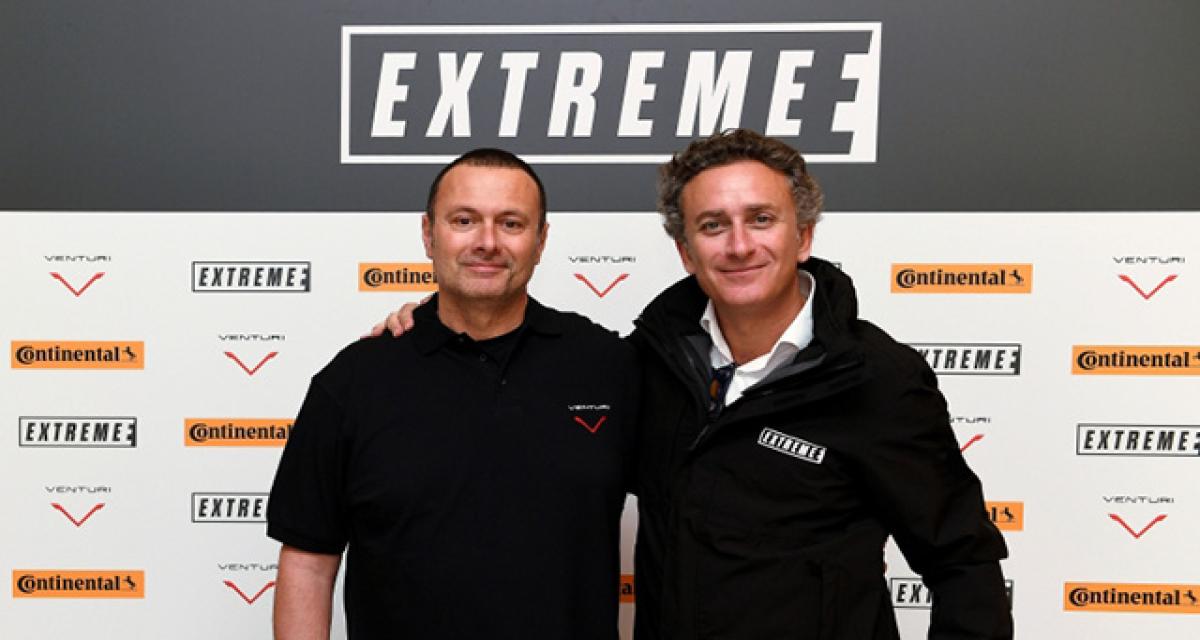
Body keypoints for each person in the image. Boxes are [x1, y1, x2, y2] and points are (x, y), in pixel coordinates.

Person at [372, 130, 1013, 639]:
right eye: (712, 225)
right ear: (685, 251)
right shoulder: (645, 366)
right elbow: (526, 413)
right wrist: (437, 329)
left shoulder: (878, 379)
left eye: (760, 219)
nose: (738, 245)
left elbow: (964, 562)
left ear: (803, 236)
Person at [267, 148, 637, 640]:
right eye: (464, 220)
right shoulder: (354, 381)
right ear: (428, 234)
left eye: (511, 223)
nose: (487, 242)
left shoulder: (609, 366)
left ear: (541, 240)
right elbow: (308, 562)